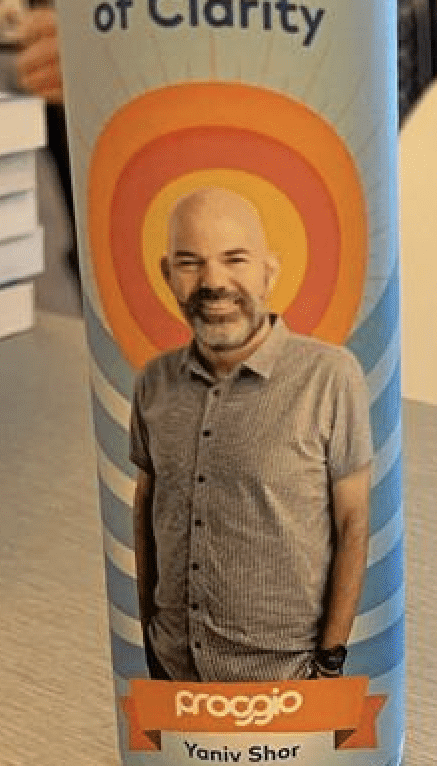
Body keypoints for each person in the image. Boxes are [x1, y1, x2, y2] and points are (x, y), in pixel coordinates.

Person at [130, 186, 373, 684]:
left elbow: (353, 523)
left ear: (270, 270)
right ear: (167, 275)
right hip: (175, 672)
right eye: (190, 262)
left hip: (287, 680)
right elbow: (148, 510)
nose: (213, 281)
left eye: (235, 259)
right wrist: (150, 636)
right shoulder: (152, 383)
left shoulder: (330, 375)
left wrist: (329, 660)